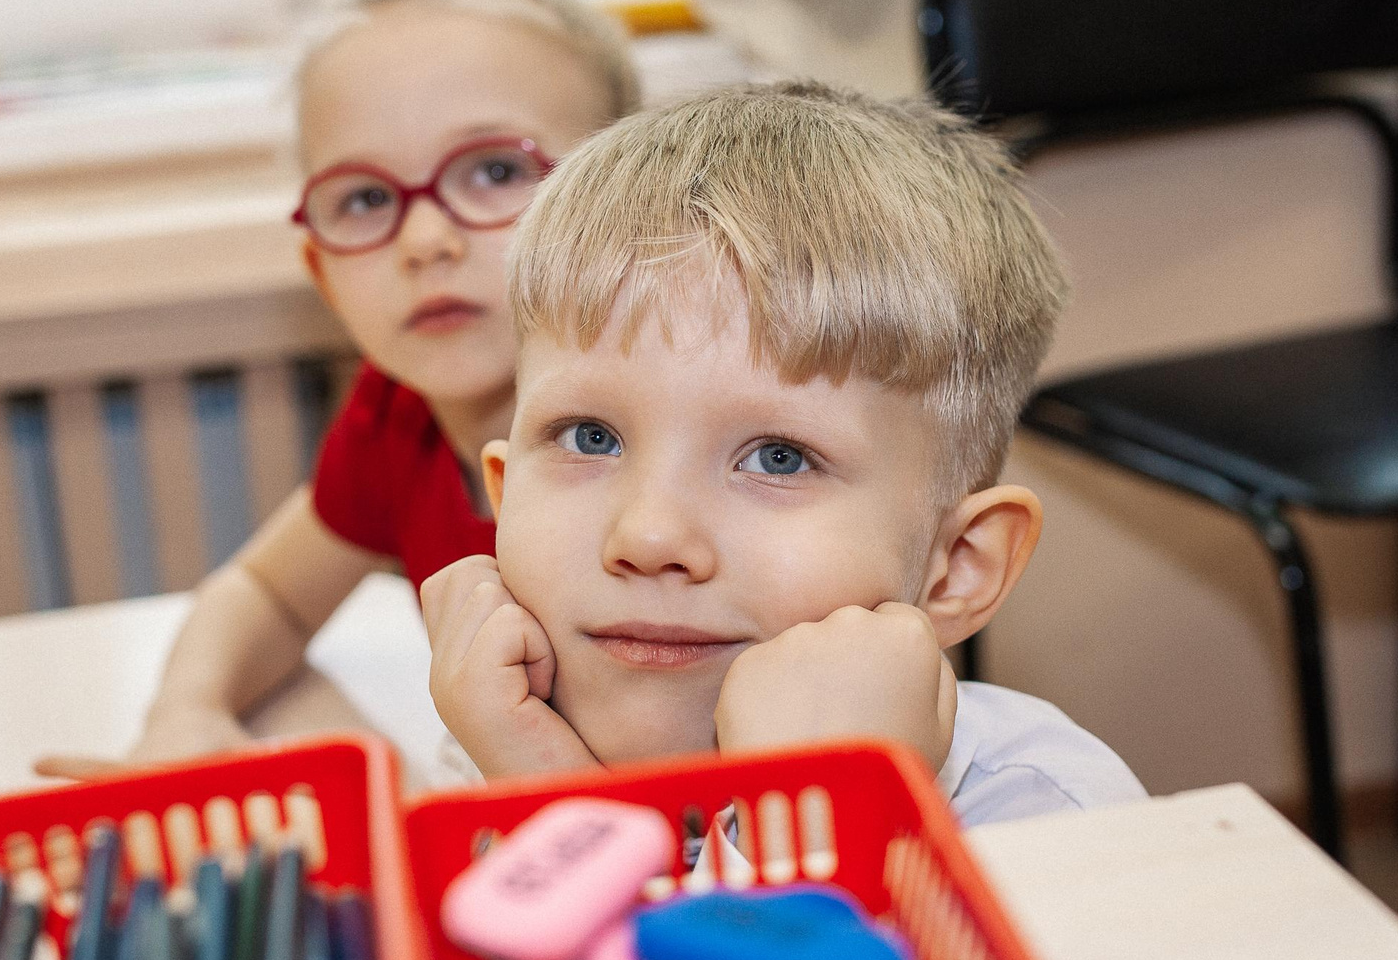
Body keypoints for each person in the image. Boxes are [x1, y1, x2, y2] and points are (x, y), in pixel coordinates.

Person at [420, 80, 1143, 826]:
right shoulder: (495, 741)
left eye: (777, 458)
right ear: (504, 497)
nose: (649, 536)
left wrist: (814, 815)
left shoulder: (1045, 815)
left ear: (957, 563)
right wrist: (545, 786)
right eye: (591, 438)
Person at [40, 0, 639, 781]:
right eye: (364, 199)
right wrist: (187, 714)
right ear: (323, 272)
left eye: (496, 170)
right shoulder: (397, 414)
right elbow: (269, 595)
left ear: (632, 203)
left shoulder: (675, 435)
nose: (426, 240)